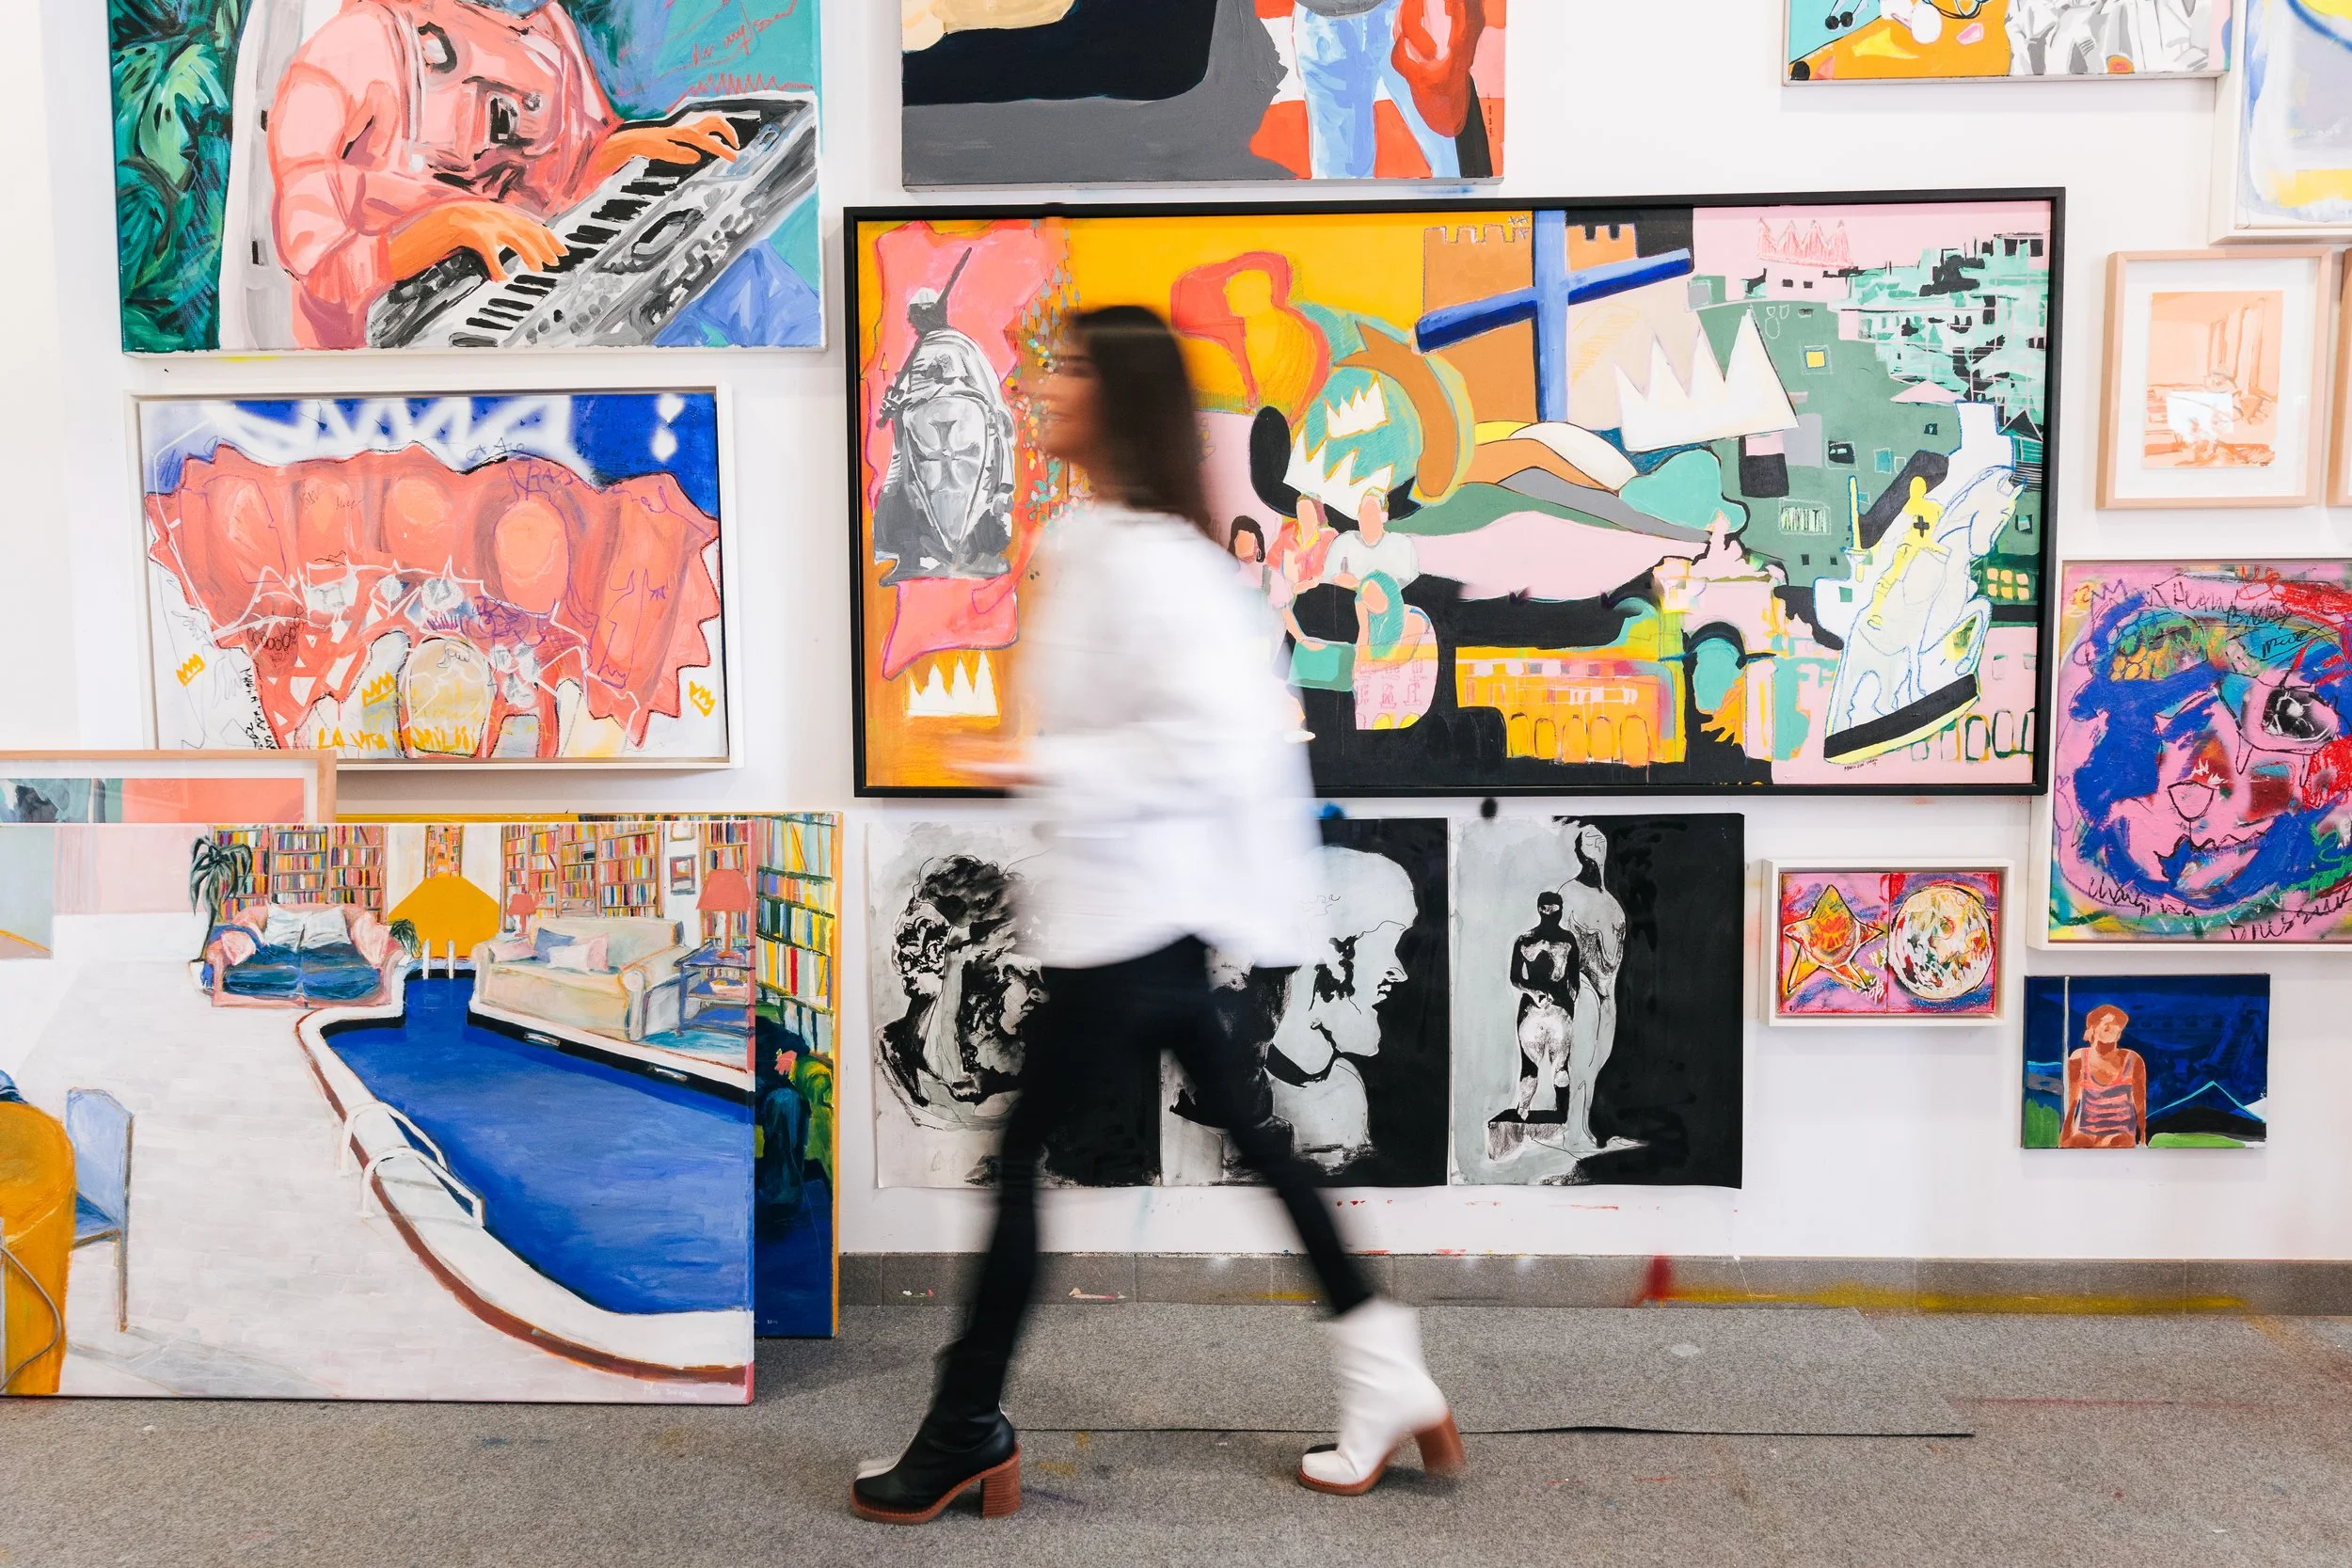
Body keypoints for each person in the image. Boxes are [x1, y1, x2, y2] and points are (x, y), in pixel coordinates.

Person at [851, 307, 1462, 1526]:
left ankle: (967, 1425)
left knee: (1023, 1165)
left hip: (1125, 925)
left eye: (1073, 368)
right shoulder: (1112, 540)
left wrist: (1036, 762)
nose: (1048, 384)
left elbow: (1205, 741)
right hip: (1140, 917)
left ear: (1120, 399)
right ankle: (1386, 1371)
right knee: (1251, 1141)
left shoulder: (1145, 559)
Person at [267, 0, 751, 348]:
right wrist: (446, 228)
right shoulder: (354, 46)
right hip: (375, 355)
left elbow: (565, 180)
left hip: (512, 304)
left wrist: (631, 147)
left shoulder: (546, 27)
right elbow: (318, 262)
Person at [2061, 1004, 2147, 1148]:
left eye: (2117, 1026)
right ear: (2092, 1028)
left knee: (2115, 1142)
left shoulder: (2133, 1060)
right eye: (2107, 1025)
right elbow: (2072, 1102)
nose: (2113, 1028)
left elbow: (2140, 1104)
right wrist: (2064, 1139)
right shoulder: (2079, 1058)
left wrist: (2143, 1139)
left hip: (2120, 1133)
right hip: (2086, 1131)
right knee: (2077, 1142)